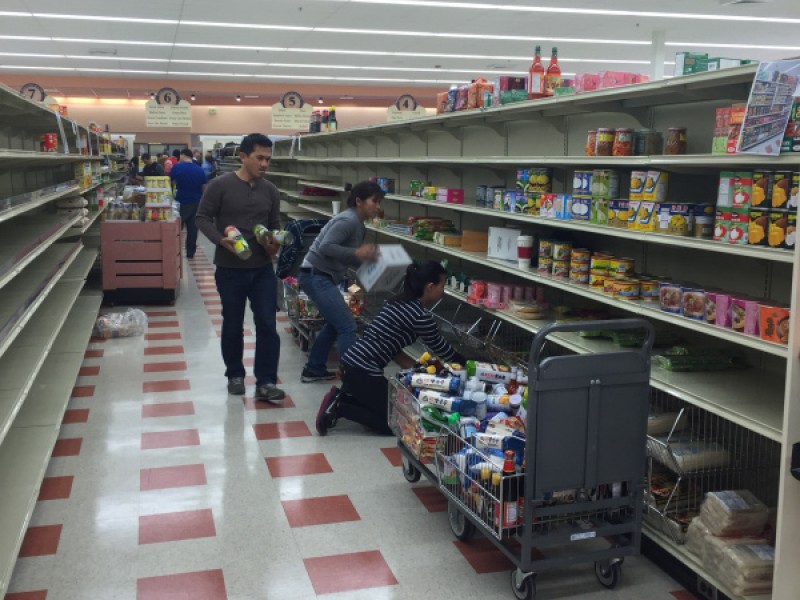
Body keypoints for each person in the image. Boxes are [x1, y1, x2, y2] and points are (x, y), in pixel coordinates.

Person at [315, 261, 466, 436]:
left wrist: (416, 369)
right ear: (430, 286)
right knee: (395, 424)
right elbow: (443, 350)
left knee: (396, 408)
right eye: (443, 284)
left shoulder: (397, 303)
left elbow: (391, 347)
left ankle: (346, 396)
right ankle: (341, 408)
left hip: (352, 363)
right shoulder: (420, 316)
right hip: (363, 371)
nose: (443, 290)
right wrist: (469, 364)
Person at [195, 133, 285, 403]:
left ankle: (266, 381)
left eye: (268, 159)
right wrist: (220, 240)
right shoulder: (220, 185)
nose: (265, 164)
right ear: (243, 156)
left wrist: (273, 244)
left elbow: (275, 224)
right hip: (230, 268)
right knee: (233, 323)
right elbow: (202, 218)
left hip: (262, 269)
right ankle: (235, 373)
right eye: (260, 158)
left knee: (268, 323)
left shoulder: (270, 190)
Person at [298, 181, 382, 383]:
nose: (378, 207)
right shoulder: (348, 221)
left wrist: (368, 259)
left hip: (322, 275)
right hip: (315, 275)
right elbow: (327, 247)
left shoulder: (359, 226)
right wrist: (357, 253)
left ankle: (314, 369)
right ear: (359, 201)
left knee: (336, 324)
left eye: (379, 202)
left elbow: (346, 256)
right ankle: (352, 379)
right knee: (347, 326)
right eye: (374, 201)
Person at [170, 148, 208, 259]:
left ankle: (174, 251)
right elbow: (204, 188)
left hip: (180, 202)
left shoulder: (177, 167)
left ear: (182, 155)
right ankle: (190, 253)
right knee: (192, 229)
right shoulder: (200, 170)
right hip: (196, 203)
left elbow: (169, 181)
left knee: (177, 229)